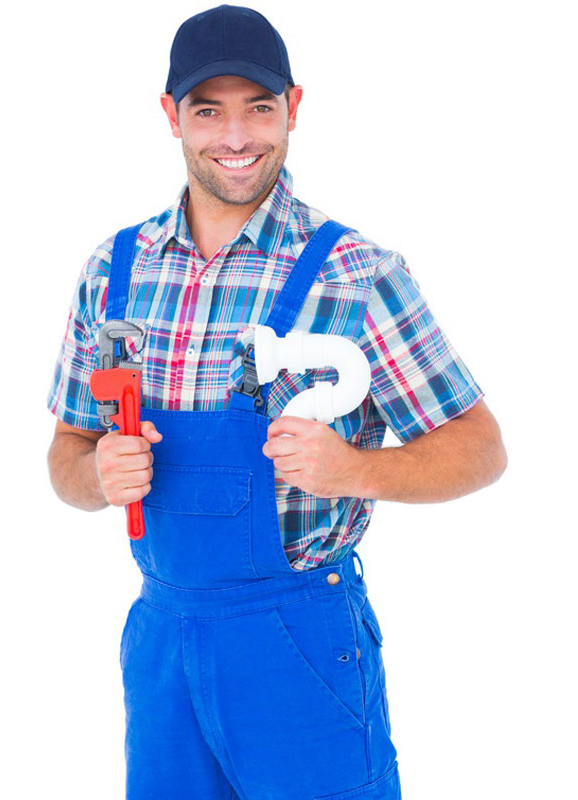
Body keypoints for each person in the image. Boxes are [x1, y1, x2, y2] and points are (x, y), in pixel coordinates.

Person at [46, 5, 507, 799]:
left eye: (258, 108)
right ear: (171, 117)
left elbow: (481, 448)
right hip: (161, 644)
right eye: (208, 110)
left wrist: (357, 470)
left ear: (293, 107)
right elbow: (66, 456)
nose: (236, 136)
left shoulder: (354, 272)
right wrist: (97, 477)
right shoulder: (112, 269)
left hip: (298, 640)